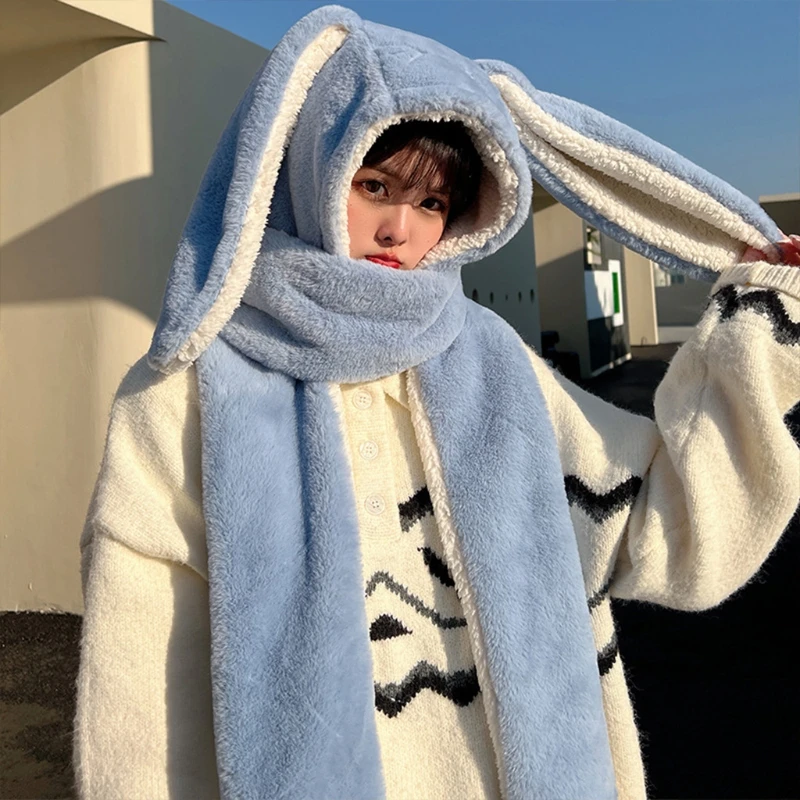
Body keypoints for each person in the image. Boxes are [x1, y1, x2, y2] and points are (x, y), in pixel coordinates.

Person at [74, 6, 800, 800]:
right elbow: (140, 698)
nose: (399, 228)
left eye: (431, 203)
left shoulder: (497, 369)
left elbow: (677, 536)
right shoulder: (184, 393)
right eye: (374, 186)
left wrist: (760, 335)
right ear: (307, 171)